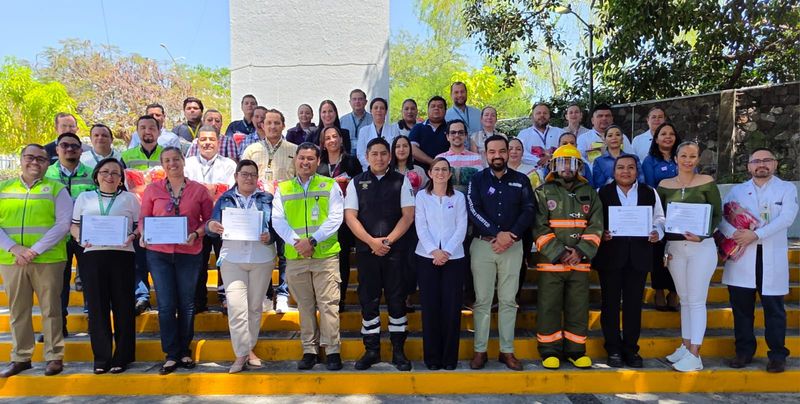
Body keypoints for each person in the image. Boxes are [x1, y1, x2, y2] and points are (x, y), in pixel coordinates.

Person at [719, 148, 798, 373]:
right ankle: (743, 351)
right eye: (756, 161)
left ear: (774, 164)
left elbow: (787, 218)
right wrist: (735, 234)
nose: (761, 164)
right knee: (741, 308)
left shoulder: (786, 188)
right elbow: (723, 218)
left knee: (774, 309)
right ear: (749, 166)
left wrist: (756, 234)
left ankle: (777, 355)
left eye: (767, 160)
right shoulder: (737, 191)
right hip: (742, 255)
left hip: (770, 254)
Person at [139, 147, 213, 375]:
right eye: (167, 160)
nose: (172, 164)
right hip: (159, 253)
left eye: (176, 159)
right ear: (162, 164)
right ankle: (171, 354)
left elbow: (209, 220)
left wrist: (197, 233)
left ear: (183, 161)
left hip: (189, 252)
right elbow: (144, 218)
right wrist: (143, 234)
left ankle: (185, 351)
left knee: (187, 304)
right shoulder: (153, 189)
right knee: (166, 304)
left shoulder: (198, 190)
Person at [0, 144, 72, 378]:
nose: (35, 162)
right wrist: (14, 248)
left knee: (51, 309)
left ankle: (54, 356)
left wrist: (34, 250)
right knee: (18, 310)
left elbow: (63, 224)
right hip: (11, 259)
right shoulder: (4, 188)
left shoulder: (57, 189)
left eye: (41, 159)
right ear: (21, 160)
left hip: (48, 259)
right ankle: (21, 357)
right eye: (30, 157)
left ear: (47, 163)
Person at [344, 137, 415, 371]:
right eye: (374, 154)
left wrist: (387, 241)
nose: (379, 158)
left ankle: (398, 351)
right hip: (367, 252)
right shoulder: (356, 182)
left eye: (384, 153)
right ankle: (372, 350)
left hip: (396, 252)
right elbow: (350, 217)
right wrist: (371, 242)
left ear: (390, 156)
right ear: (367, 156)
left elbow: (408, 216)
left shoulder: (402, 181)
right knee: (369, 300)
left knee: (396, 301)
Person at [273, 143, 345, 371]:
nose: (305, 162)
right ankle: (309, 350)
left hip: (325, 255)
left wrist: (312, 241)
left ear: (318, 161)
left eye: (310, 159)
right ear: (295, 160)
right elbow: (278, 220)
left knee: (329, 305)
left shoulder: (330, 185)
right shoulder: (283, 189)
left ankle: (332, 350)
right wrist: (299, 242)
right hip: (296, 257)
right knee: (305, 306)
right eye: (302, 158)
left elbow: (336, 218)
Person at [466, 135, 535, 371]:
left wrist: (510, 235)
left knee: (508, 300)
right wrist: (497, 234)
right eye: (492, 151)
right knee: (483, 300)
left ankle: (507, 351)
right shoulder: (476, 179)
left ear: (508, 153)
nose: (497, 155)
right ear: (486, 154)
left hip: (513, 247)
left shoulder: (521, 180)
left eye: (502, 151)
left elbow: (528, 210)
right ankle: (480, 350)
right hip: (483, 246)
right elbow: (473, 209)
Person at [532, 144, 603, 370]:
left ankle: (575, 351)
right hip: (551, 263)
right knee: (548, 307)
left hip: (580, 263)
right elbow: (538, 227)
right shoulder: (543, 192)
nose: (566, 168)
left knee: (578, 307)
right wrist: (560, 252)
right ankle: (549, 351)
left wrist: (580, 251)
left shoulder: (590, 193)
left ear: (579, 166)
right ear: (553, 165)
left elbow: (597, 226)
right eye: (561, 162)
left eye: (571, 163)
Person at [593, 155, 665, 368]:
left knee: (634, 305)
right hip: (611, 256)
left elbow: (660, 218)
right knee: (610, 305)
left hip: (639, 257)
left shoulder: (649, 192)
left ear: (637, 171)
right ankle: (613, 349)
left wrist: (657, 232)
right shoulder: (602, 193)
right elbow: (595, 221)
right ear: (613, 171)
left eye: (631, 168)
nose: (626, 171)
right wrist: (601, 233)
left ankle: (631, 350)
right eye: (621, 167)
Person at [205, 159, 276, 374]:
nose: (249, 178)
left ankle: (248, 349)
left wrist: (270, 235)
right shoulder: (224, 199)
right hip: (232, 259)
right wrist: (212, 225)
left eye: (253, 174)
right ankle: (240, 355)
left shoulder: (268, 199)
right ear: (236, 176)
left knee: (254, 308)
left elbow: (278, 227)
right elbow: (210, 226)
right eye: (244, 174)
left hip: (261, 258)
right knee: (236, 308)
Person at [657, 141, 721, 372]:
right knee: (684, 299)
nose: (687, 160)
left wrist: (702, 236)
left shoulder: (706, 183)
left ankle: (695, 354)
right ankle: (685, 346)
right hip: (675, 248)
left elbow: (716, 215)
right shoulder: (664, 185)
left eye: (692, 156)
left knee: (696, 300)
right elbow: (661, 215)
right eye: (683, 155)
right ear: (675, 158)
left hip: (701, 248)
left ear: (698, 159)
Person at [70, 158, 139, 374]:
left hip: (122, 255)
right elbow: (74, 225)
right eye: (105, 172)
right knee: (97, 308)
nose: (110, 176)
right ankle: (102, 358)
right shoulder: (84, 197)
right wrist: (81, 239)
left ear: (121, 179)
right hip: (92, 255)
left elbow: (139, 227)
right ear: (97, 174)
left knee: (124, 307)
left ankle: (123, 356)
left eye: (115, 173)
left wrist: (132, 236)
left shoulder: (130, 198)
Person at [415, 158, 468, 370]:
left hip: (453, 258)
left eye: (444, 170)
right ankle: (432, 358)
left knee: (451, 308)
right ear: (429, 173)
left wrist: (446, 251)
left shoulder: (458, 197)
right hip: (426, 257)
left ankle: (449, 359)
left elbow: (461, 227)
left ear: (449, 174)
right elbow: (421, 226)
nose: (440, 173)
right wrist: (433, 251)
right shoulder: (421, 196)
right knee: (430, 308)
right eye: (436, 169)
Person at [241, 108, 296, 313]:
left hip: (285, 209)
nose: (272, 127)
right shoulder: (252, 150)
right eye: (269, 123)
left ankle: (282, 293)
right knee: (262, 253)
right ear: (262, 125)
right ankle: (264, 293)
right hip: (258, 208)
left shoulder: (294, 149)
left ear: (283, 125)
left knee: (284, 253)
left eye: (277, 123)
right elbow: (243, 177)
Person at [45, 133, 97, 338]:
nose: (69, 149)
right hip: (56, 238)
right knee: (57, 284)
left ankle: (95, 321)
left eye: (74, 146)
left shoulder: (92, 174)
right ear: (57, 149)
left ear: (81, 150)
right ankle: (59, 325)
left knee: (92, 281)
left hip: (86, 237)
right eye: (64, 145)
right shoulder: (46, 175)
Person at [183, 126, 237, 313]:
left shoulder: (229, 165)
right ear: (197, 142)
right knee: (198, 261)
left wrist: (201, 189)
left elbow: (227, 192)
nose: (207, 143)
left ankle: (225, 298)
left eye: (211, 139)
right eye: (203, 139)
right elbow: (186, 191)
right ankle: (198, 300)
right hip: (195, 222)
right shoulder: (187, 164)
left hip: (222, 221)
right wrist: (210, 188)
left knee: (225, 261)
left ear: (218, 142)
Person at [122, 115, 164, 315]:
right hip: (135, 213)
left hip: (161, 215)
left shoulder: (167, 154)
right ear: (137, 131)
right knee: (138, 258)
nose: (147, 131)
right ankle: (141, 296)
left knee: (159, 257)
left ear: (159, 131)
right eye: (143, 128)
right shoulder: (127, 156)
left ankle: (163, 295)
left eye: (152, 128)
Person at [317, 127, 362, 312]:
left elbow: (360, 185)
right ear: (323, 142)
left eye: (335, 136)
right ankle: (324, 298)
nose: (332, 140)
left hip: (345, 217)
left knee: (342, 260)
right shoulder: (319, 163)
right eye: (328, 138)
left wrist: (347, 183)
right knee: (325, 261)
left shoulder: (351, 161)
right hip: (322, 218)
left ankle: (340, 298)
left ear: (341, 140)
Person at [642, 123, 681, 311]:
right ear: (656, 139)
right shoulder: (649, 161)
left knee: (678, 252)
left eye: (671, 134)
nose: (667, 137)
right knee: (657, 253)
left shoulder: (683, 158)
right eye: (663, 134)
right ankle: (658, 290)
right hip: (659, 211)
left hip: (682, 213)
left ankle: (674, 291)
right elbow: (649, 187)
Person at [507, 137, 541, 300]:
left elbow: (537, 198)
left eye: (518, 149)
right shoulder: (497, 170)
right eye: (510, 148)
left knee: (520, 262)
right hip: (502, 224)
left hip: (524, 225)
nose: (514, 151)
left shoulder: (531, 172)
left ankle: (515, 297)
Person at [435, 119, 482, 194]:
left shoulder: (477, 158)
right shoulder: (440, 159)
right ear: (447, 136)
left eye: (460, 132)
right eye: (453, 132)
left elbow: (480, 183)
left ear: (466, 136)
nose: (457, 135)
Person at [517, 103, 564, 168]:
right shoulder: (523, 134)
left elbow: (567, 150)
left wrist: (552, 158)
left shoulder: (560, 132)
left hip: (557, 172)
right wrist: (537, 160)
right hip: (532, 174)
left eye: (545, 113)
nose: (542, 115)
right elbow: (521, 154)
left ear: (549, 116)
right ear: (532, 116)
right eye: (538, 113)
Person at [409, 96, 449, 170]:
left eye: (440, 107)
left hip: (445, 172)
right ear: (428, 110)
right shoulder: (418, 128)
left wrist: (439, 165)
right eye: (433, 106)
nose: (436, 108)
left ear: (445, 111)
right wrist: (433, 162)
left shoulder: (451, 129)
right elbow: (412, 149)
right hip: (421, 173)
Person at [357, 98, 394, 169]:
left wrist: (385, 166)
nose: (378, 110)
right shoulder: (364, 131)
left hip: (389, 169)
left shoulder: (393, 129)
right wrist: (372, 166)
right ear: (371, 111)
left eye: (382, 108)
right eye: (376, 108)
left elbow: (394, 152)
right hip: (369, 170)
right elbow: (360, 154)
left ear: (386, 111)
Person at [445, 82, 480, 149]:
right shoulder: (445, 116)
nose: (460, 95)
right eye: (456, 92)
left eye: (462, 92)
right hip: (456, 156)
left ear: (466, 93)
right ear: (451, 95)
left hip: (478, 155)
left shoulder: (478, 113)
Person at [340, 89, 373, 155]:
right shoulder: (342, 120)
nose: (357, 101)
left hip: (367, 155)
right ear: (350, 102)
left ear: (366, 102)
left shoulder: (372, 120)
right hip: (348, 156)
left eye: (360, 99)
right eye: (354, 99)